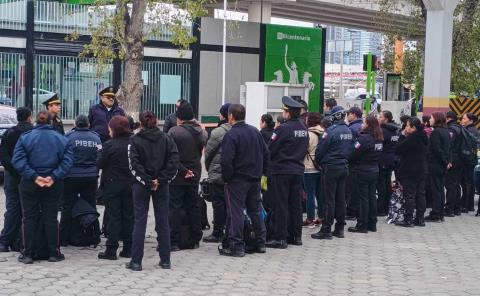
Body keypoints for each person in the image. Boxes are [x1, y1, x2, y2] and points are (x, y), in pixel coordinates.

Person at [12, 111, 74, 264]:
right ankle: (54, 252)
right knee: (51, 217)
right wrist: (53, 176)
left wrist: (34, 176)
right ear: (51, 122)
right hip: (53, 183)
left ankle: (27, 253)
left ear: (35, 121)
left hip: (30, 183)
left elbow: (18, 160)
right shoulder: (62, 139)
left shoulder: (25, 138)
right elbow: (67, 162)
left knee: (28, 218)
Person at [127, 110, 179, 271]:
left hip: (141, 185)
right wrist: (160, 180)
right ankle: (165, 260)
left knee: (139, 221)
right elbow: (174, 161)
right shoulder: (166, 139)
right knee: (163, 220)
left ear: (140, 123)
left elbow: (133, 164)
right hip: (161, 185)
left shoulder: (134, 140)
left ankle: (136, 261)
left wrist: (148, 181)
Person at [218, 104, 269, 257]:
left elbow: (226, 161)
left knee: (236, 212)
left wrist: (227, 179)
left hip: (237, 180)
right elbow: (266, 154)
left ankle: (237, 246)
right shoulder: (255, 132)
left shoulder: (231, 135)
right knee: (255, 210)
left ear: (230, 116)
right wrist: (262, 173)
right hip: (254, 178)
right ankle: (261, 243)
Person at [266, 96, 309, 249]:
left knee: (281, 204)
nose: (283, 113)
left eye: (284, 111)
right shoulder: (303, 128)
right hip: (297, 170)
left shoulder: (283, 128)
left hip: (281, 170)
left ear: (289, 112)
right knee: (295, 204)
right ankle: (296, 236)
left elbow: (271, 149)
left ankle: (280, 238)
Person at [168, 102, 207, 250]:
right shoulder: (201, 132)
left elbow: (171, 155)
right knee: (193, 205)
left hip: (178, 174)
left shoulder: (174, 132)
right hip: (195, 172)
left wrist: (183, 170)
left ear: (179, 117)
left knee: (175, 207)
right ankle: (195, 238)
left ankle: (174, 240)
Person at [60, 115, 101, 246]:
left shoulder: (68, 137)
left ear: (75, 124)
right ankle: (94, 235)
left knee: (67, 206)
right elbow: (100, 156)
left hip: (71, 177)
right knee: (91, 206)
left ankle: (63, 238)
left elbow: (63, 155)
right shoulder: (96, 138)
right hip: (90, 177)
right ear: (88, 124)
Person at [311, 106, 352, 240]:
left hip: (331, 168)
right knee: (340, 199)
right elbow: (353, 148)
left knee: (329, 200)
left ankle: (326, 229)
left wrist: (319, 162)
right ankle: (339, 229)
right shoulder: (348, 130)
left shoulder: (331, 131)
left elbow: (321, 150)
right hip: (344, 166)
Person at [97, 116, 134, 260]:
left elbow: (99, 163)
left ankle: (111, 250)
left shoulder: (109, 145)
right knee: (129, 216)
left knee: (113, 217)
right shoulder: (135, 143)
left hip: (112, 185)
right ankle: (129, 249)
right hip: (131, 184)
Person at [0, 107, 33, 252]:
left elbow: (3, 156)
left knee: (12, 208)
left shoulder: (10, 133)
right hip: (28, 175)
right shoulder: (33, 133)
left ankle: (5, 241)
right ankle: (22, 241)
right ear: (29, 117)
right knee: (28, 209)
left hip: (11, 176)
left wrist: (14, 170)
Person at [347, 115, 383, 233]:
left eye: (364, 122)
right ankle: (372, 223)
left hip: (362, 170)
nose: (362, 124)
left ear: (368, 125)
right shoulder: (379, 138)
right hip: (374, 170)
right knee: (372, 197)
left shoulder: (364, 139)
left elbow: (353, 154)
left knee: (363, 198)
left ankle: (362, 224)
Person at [203, 103, 231, 243]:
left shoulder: (218, 132)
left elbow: (208, 153)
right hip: (232, 174)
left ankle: (217, 232)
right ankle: (229, 228)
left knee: (218, 203)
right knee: (230, 203)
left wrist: (208, 168)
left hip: (218, 172)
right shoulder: (237, 130)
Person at [394, 117, 428, 227]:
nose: (406, 127)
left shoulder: (412, 138)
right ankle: (420, 219)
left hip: (410, 170)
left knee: (409, 195)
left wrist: (402, 135)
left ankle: (408, 219)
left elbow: (398, 149)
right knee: (420, 195)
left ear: (413, 128)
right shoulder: (424, 137)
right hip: (422, 169)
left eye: (408, 126)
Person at [425, 112, 451, 222]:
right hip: (443, 165)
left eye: (431, 118)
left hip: (435, 164)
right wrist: (448, 161)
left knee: (436, 189)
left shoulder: (436, 132)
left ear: (437, 119)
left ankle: (435, 214)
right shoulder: (446, 131)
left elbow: (436, 149)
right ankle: (440, 213)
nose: (429, 120)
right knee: (440, 189)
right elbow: (449, 148)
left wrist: (445, 161)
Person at [303, 112, 324, 227]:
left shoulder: (309, 134)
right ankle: (321, 217)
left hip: (309, 166)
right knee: (320, 193)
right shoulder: (324, 132)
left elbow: (304, 149)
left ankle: (310, 219)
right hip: (321, 167)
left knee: (310, 194)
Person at [377, 111, 400, 216]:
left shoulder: (382, 131)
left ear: (386, 119)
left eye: (380, 116)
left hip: (382, 160)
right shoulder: (396, 130)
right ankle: (387, 206)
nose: (378, 118)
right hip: (392, 160)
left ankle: (381, 208)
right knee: (387, 184)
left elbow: (378, 145)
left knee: (381, 185)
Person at [444, 111, 463, 216]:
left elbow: (449, 146)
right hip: (460, 159)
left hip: (453, 159)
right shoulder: (460, 127)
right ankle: (457, 208)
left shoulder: (451, 129)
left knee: (450, 184)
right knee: (456, 184)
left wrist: (448, 160)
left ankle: (449, 209)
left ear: (448, 118)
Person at [345, 106, 363, 219]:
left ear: (354, 115)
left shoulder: (352, 129)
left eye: (349, 114)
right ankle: (356, 210)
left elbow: (350, 147)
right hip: (362, 163)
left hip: (353, 163)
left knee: (351, 189)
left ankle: (351, 211)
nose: (347, 116)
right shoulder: (361, 126)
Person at [460, 113, 480, 213]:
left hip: (468, 160)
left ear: (470, 120)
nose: (462, 120)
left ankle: (466, 205)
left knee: (467, 183)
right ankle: (468, 205)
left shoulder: (470, 131)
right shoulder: (472, 130)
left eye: (464, 118)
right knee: (468, 182)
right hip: (471, 160)